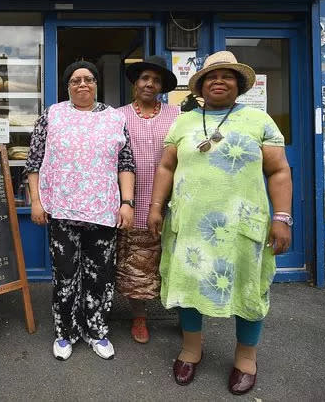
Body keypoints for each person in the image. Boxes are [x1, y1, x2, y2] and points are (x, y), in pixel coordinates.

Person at [147, 51, 292, 395]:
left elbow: (279, 170)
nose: (219, 81)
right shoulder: (183, 123)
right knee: (189, 286)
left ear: (239, 84)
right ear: (200, 85)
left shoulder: (259, 120)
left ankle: (245, 358)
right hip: (192, 226)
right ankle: (191, 350)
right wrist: (156, 207)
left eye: (227, 76)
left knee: (248, 288)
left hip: (242, 226)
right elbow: (166, 167)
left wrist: (282, 217)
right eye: (212, 76)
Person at [25, 60, 136, 361]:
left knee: (100, 274)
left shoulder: (114, 118)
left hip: (103, 211)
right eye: (75, 80)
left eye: (88, 79)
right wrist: (36, 200)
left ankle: (96, 329)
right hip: (61, 210)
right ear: (67, 86)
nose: (82, 84)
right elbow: (33, 162)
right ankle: (66, 332)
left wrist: (127, 202)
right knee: (65, 274)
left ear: (97, 84)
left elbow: (125, 164)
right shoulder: (52, 115)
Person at [117, 56, 180, 344]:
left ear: (162, 86)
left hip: (173, 201)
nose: (149, 84)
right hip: (134, 199)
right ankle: (139, 317)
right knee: (137, 263)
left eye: (155, 80)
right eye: (144, 78)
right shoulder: (118, 116)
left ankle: (183, 315)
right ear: (135, 82)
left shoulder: (177, 115)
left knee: (176, 260)